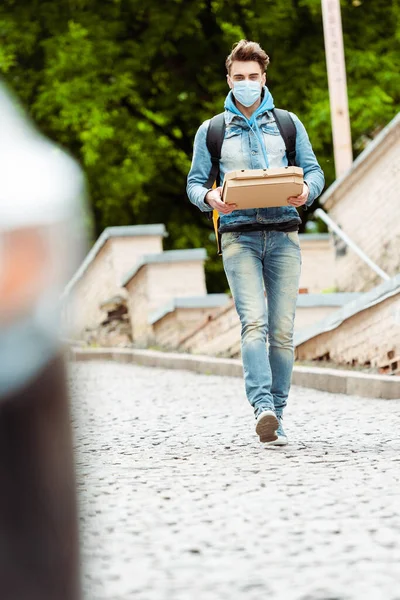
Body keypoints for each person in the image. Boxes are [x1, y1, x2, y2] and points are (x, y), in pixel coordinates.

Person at [187, 40, 325, 446]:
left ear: (264, 78)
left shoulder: (286, 123)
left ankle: (276, 415)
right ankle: (261, 406)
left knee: (282, 331)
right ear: (229, 80)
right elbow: (196, 184)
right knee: (254, 325)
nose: (246, 83)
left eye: (253, 77)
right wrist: (211, 197)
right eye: (239, 77)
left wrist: (306, 190)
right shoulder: (212, 130)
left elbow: (314, 172)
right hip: (238, 238)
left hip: (283, 234)